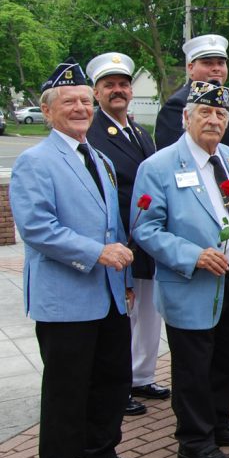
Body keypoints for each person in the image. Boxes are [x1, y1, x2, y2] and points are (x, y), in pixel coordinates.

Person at [11, 58, 142, 458]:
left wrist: (122, 275)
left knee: (112, 379)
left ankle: (98, 454)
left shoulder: (100, 158)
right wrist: (97, 254)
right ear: (47, 111)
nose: (81, 108)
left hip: (108, 294)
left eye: (86, 101)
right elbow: (37, 229)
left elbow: (114, 227)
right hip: (65, 298)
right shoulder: (35, 161)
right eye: (69, 102)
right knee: (68, 389)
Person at [133, 81, 229, 458]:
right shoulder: (159, 166)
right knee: (193, 365)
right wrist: (193, 255)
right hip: (192, 281)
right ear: (186, 117)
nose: (213, 120)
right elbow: (145, 229)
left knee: (225, 359)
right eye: (204, 113)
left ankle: (219, 421)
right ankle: (193, 440)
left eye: (220, 114)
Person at [84, 52, 164, 419]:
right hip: (121, 240)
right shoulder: (94, 133)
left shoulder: (139, 132)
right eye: (109, 86)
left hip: (146, 237)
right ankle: (122, 382)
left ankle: (141, 375)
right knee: (126, 316)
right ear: (97, 93)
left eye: (123, 84)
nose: (118, 91)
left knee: (148, 312)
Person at [154, 34, 229, 150]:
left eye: (221, 63)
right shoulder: (178, 104)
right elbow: (173, 157)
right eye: (208, 63)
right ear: (190, 68)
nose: (216, 68)